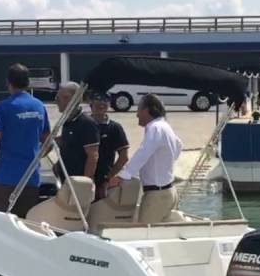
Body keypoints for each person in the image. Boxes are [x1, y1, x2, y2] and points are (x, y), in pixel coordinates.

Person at [0, 64, 50, 216]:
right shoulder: (39, 106)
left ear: (8, 82)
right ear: (28, 82)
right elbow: (48, 142)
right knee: (24, 221)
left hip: (6, 178)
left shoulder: (3, 107)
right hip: (31, 179)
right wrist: (35, 158)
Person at [107, 94, 182, 223]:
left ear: (146, 110)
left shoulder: (154, 128)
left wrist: (122, 176)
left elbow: (143, 152)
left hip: (157, 195)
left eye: (138, 110)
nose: (137, 115)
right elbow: (179, 145)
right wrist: (164, 164)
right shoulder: (165, 126)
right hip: (170, 192)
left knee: (145, 232)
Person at [52, 82, 99, 184]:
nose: (57, 100)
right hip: (66, 181)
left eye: (64, 97)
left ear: (77, 100)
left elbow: (93, 156)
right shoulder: (67, 121)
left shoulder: (86, 123)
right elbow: (72, 144)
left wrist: (85, 184)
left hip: (78, 183)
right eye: (57, 97)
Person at [88, 91, 128, 200]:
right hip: (83, 179)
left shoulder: (115, 128)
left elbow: (124, 157)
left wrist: (107, 180)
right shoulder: (83, 125)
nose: (101, 104)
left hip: (102, 180)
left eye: (105, 101)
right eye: (98, 100)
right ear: (91, 104)